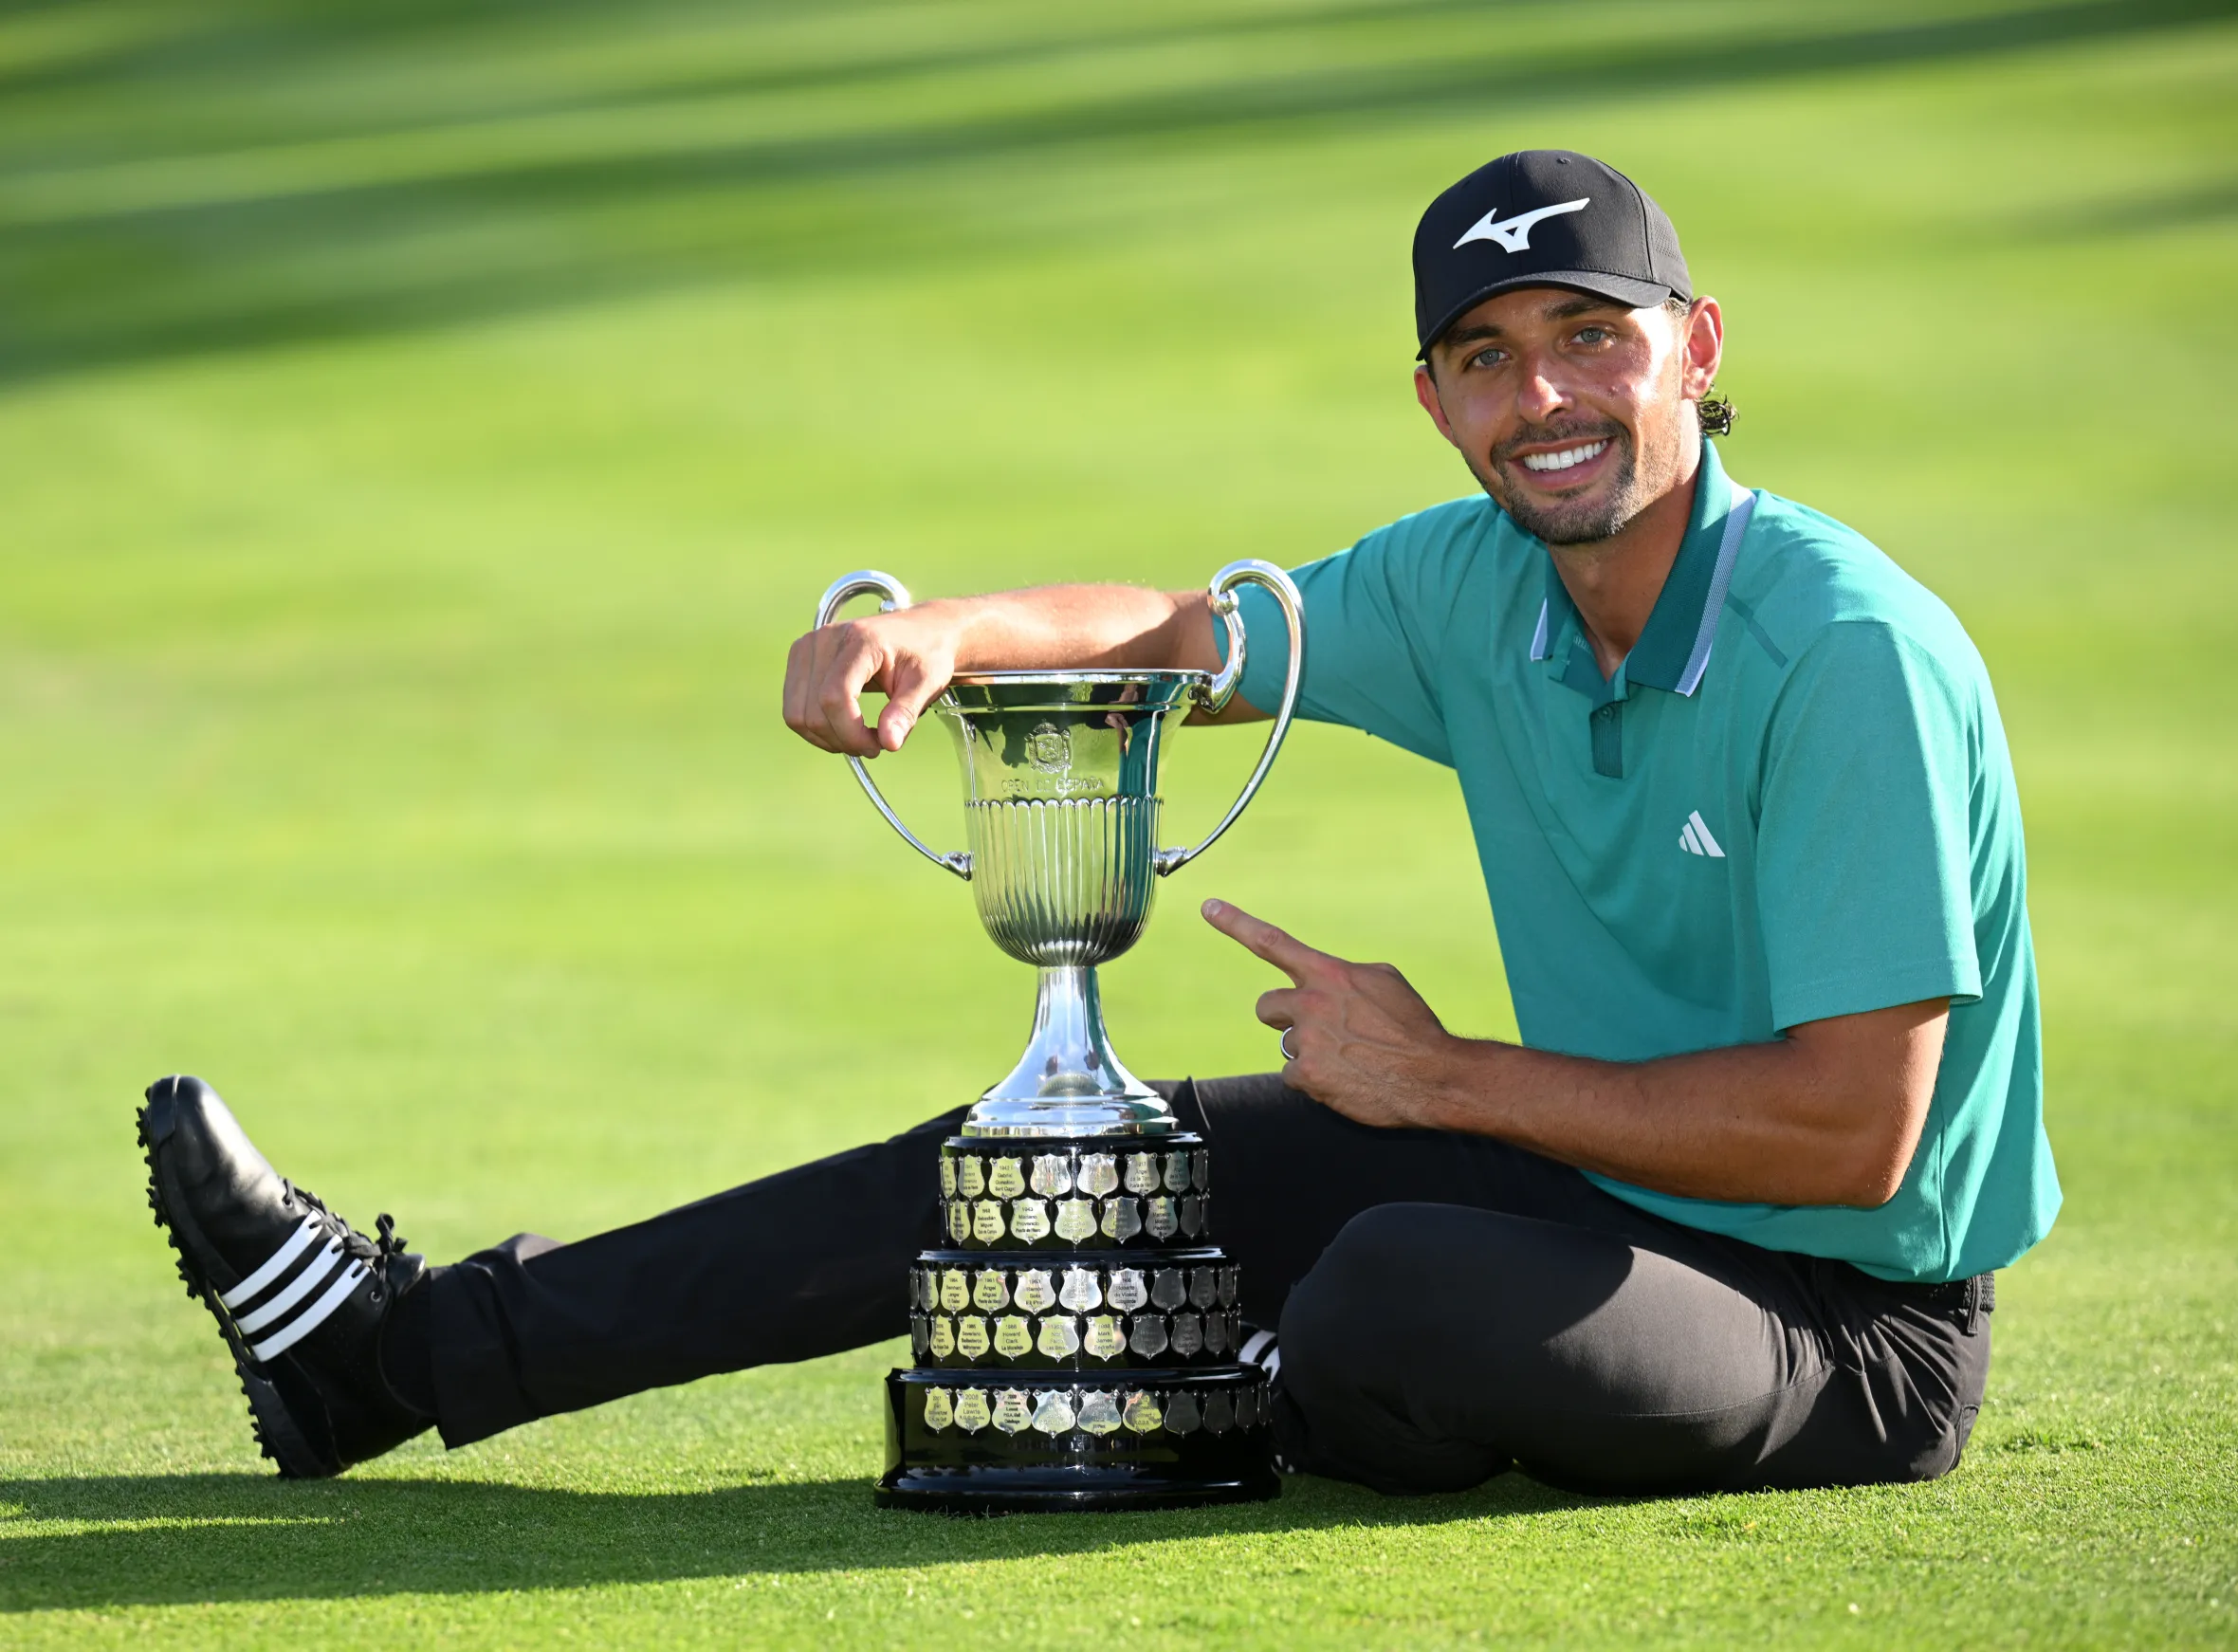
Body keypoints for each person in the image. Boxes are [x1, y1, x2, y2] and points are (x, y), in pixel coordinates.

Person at [138, 149, 2058, 1494]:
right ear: (1431, 398)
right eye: (1486, 355)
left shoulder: (1840, 650)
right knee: (1039, 1167)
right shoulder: (1478, 578)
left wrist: (1448, 1074)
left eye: (1590, 336)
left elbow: (1845, 1130)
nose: (1540, 394)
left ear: (1694, 349)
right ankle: (384, 1362)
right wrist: (935, 627)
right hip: (1587, 1190)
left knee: (1398, 1281)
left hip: (1842, 1318)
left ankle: (1244, 1375)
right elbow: (1173, 634)